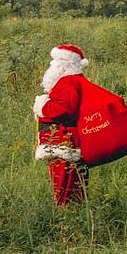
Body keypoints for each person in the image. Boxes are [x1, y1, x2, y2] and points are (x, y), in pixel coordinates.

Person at [33, 44, 91, 205]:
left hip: (65, 142)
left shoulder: (69, 82)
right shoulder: (70, 81)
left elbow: (65, 110)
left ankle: (67, 218)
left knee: (65, 186)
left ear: (65, 64)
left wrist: (42, 105)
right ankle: (73, 214)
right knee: (72, 184)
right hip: (65, 142)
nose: (52, 65)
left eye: (56, 61)